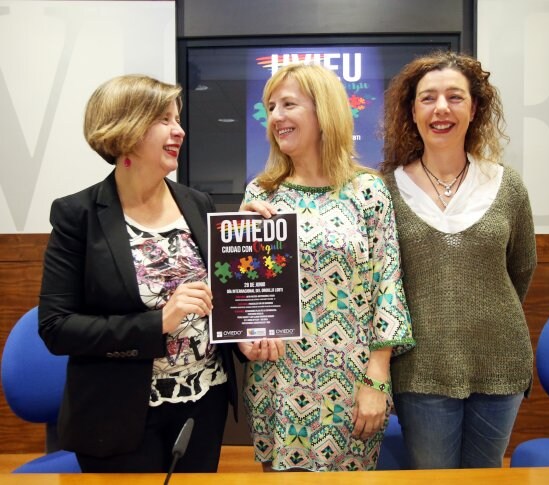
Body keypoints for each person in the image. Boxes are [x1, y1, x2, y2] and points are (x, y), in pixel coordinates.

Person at [38, 74, 282, 473]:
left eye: (178, 119)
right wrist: (158, 323)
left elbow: (216, 301)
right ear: (126, 128)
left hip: (205, 403)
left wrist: (243, 340)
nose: (179, 130)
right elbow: (56, 327)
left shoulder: (198, 203)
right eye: (165, 120)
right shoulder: (77, 216)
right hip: (117, 416)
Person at [240, 63, 415, 472]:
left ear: (325, 112)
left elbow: (387, 285)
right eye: (271, 107)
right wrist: (240, 236)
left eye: (289, 104)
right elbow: (250, 293)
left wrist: (377, 379)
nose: (276, 116)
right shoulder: (261, 193)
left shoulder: (367, 191)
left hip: (350, 382)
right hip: (278, 380)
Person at [378, 50, 537, 469]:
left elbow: (521, 269)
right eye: (428, 98)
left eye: (455, 96)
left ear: (475, 109)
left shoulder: (508, 186)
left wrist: (480, 318)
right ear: (411, 111)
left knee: (485, 478)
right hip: (421, 369)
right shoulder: (383, 191)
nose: (441, 108)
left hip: (500, 361)